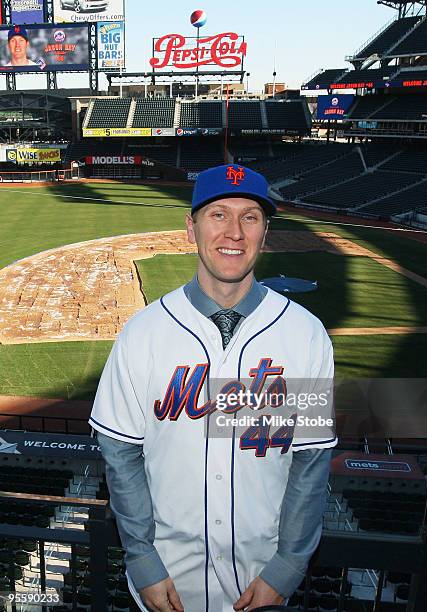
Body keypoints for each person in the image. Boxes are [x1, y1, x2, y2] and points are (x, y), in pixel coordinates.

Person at [89, 164, 337, 612]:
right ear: (191, 227)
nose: (235, 232)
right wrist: (142, 558)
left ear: (266, 233)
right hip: (166, 579)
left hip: (264, 579)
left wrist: (288, 567)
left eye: (250, 217)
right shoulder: (143, 332)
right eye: (218, 214)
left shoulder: (306, 334)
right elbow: (120, 454)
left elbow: (310, 461)